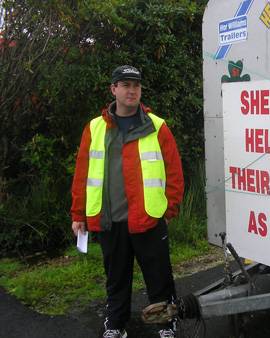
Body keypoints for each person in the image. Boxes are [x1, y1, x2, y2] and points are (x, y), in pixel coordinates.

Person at [71, 65, 184, 338]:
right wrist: (78, 214)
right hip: (110, 220)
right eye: (124, 84)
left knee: (159, 277)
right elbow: (82, 173)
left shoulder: (157, 126)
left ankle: (165, 323)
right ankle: (116, 324)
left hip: (148, 218)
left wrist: (170, 209)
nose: (131, 90)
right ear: (113, 89)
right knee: (116, 279)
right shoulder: (95, 128)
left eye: (136, 85)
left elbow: (174, 171)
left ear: (141, 90)